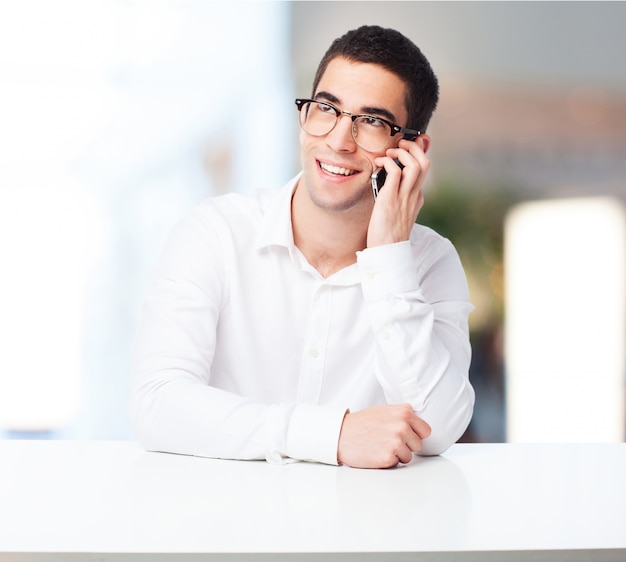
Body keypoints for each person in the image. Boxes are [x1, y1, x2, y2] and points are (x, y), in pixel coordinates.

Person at [130, 25, 474, 469]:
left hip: (359, 534)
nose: (337, 140)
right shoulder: (215, 234)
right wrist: (332, 434)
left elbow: (439, 427)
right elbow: (156, 403)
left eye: (371, 121)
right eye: (326, 108)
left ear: (411, 149)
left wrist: (389, 259)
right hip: (222, 529)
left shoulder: (429, 262)